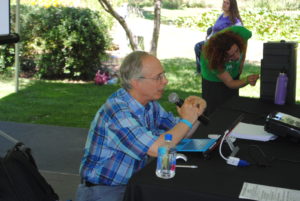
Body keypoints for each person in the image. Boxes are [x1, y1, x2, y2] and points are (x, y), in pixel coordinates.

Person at [75, 51, 207, 201]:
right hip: (102, 192)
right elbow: (157, 149)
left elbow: (181, 133)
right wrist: (187, 120)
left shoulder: (150, 105)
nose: (165, 81)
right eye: (158, 77)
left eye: (163, 75)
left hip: (132, 184)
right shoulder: (117, 111)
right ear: (135, 82)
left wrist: (196, 113)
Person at [200, 26, 259, 115]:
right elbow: (230, 82)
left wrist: (241, 63)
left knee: (232, 107)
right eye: (231, 56)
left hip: (231, 74)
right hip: (213, 83)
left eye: (237, 50)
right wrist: (247, 80)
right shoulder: (212, 58)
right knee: (215, 114)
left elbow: (243, 45)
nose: (237, 56)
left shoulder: (241, 33)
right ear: (221, 57)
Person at [194, 0, 243, 74]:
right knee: (198, 46)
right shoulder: (221, 16)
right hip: (213, 41)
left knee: (200, 47)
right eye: (224, 2)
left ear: (232, 6)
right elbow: (214, 30)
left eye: (227, 3)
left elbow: (239, 31)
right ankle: (201, 70)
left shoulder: (234, 19)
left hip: (221, 44)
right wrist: (208, 37)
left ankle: (204, 71)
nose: (225, 4)